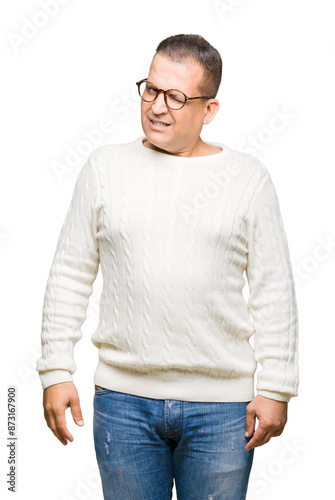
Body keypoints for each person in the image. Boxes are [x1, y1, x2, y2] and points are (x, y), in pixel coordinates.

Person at [36, 34, 299, 500]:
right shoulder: (104, 169)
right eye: (151, 90)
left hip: (223, 409)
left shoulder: (248, 178)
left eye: (176, 97)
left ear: (209, 110)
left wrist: (277, 387)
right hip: (123, 403)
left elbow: (273, 288)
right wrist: (56, 371)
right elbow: (71, 273)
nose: (157, 106)